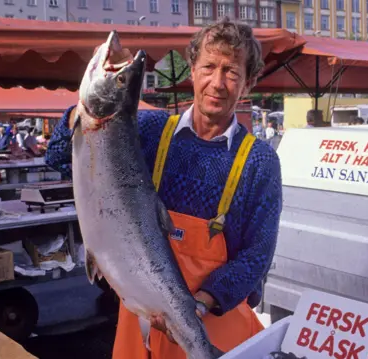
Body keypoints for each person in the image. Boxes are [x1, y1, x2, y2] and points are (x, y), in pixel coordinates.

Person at [45, 18, 282, 359]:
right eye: (209, 67)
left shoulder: (259, 161)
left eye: (231, 72)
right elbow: (58, 157)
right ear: (192, 71)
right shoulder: (150, 129)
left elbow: (257, 256)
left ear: (248, 83)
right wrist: (85, 112)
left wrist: (195, 307)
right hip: (140, 304)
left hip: (213, 320)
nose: (217, 83)